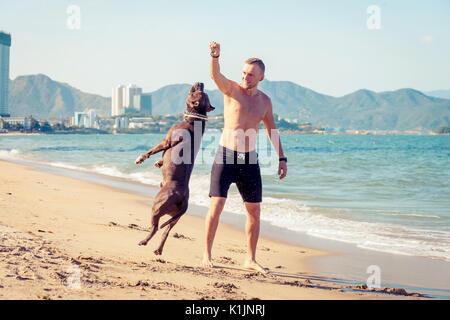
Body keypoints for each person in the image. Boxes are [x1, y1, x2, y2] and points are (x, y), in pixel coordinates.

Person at [202, 41, 287, 274]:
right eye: (243, 73)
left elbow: (272, 130)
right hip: (226, 155)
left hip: (249, 160)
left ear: (261, 77)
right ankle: (206, 255)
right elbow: (215, 74)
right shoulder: (231, 90)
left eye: (250, 75)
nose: (245, 78)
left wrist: (282, 158)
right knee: (217, 205)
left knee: (254, 210)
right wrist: (215, 55)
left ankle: (250, 258)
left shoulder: (265, 102)